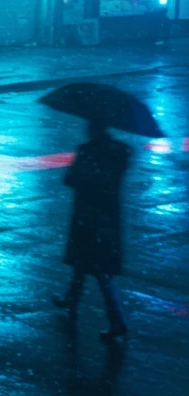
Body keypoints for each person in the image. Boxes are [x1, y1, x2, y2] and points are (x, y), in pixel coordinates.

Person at [54, 119, 132, 341]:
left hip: (87, 218)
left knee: (96, 270)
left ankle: (117, 321)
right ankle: (71, 298)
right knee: (90, 265)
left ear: (93, 129)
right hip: (107, 218)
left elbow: (69, 179)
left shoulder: (87, 151)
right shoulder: (121, 152)